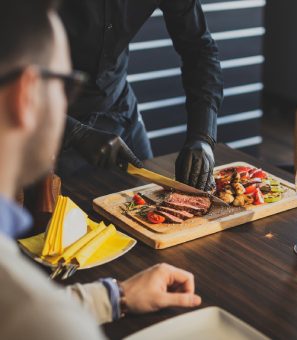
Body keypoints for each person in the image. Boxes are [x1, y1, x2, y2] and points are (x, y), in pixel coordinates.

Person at [0, 2, 201, 338]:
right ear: (27, 98)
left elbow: (199, 46)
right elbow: (37, 314)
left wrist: (114, 296)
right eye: (67, 86)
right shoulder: (47, 322)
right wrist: (75, 131)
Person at [57, 0, 223, 191]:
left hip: (120, 110)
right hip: (49, 122)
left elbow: (199, 49)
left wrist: (203, 135)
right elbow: (15, 78)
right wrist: (75, 133)